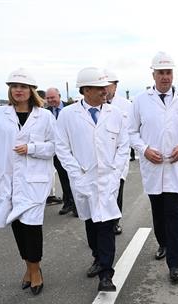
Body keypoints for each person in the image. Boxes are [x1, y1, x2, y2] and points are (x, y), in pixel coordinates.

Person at [0, 68, 56, 295]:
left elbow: (55, 146)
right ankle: (30, 267)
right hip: (8, 181)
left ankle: (35, 272)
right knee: (18, 226)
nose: (18, 90)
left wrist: (31, 148)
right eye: (14, 86)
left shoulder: (45, 116)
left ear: (31, 90)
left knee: (31, 227)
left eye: (22, 87)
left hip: (35, 182)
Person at [55, 67, 129, 292]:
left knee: (107, 225)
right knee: (91, 223)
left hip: (108, 180)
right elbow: (62, 147)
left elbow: (123, 146)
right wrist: (76, 173)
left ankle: (106, 274)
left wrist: (116, 173)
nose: (104, 91)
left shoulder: (115, 113)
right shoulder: (68, 115)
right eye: (99, 88)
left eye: (105, 87)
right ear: (86, 89)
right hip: (84, 179)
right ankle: (97, 257)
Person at [131, 52, 178, 283]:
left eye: (168, 72)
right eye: (161, 72)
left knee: (173, 214)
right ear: (153, 74)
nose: (165, 77)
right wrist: (145, 149)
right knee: (158, 214)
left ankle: (174, 264)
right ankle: (162, 242)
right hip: (153, 166)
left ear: (173, 74)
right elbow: (131, 132)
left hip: (175, 166)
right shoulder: (140, 100)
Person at [104, 69, 134, 235]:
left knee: (117, 188)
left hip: (119, 156)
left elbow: (131, 129)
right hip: (100, 155)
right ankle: (102, 222)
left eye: (108, 86)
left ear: (115, 87)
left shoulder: (126, 106)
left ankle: (115, 221)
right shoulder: (97, 104)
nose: (105, 89)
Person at [46, 87, 77, 216]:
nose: (50, 100)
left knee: (74, 178)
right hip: (57, 151)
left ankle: (77, 205)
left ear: (59, 96)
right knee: (63, 178)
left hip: (73, 150)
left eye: (52, 97)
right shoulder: (46, 113)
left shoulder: (71, 109)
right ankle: (68, 203)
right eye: (48, 98)